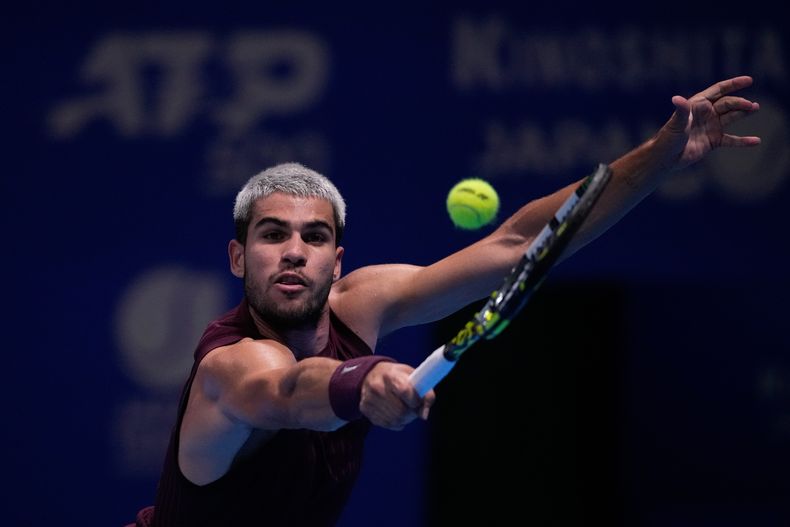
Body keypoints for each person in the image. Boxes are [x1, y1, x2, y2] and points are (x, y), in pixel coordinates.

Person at [129, 75, 760, 526]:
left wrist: (658, 155)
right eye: (272, 235)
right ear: (239, 257)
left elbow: (520, 241)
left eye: (315, 237)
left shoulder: (362, 301)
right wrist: (366, 378)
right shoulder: (230, 364)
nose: (294, 251)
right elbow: (292, 393)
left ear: (336, 261)